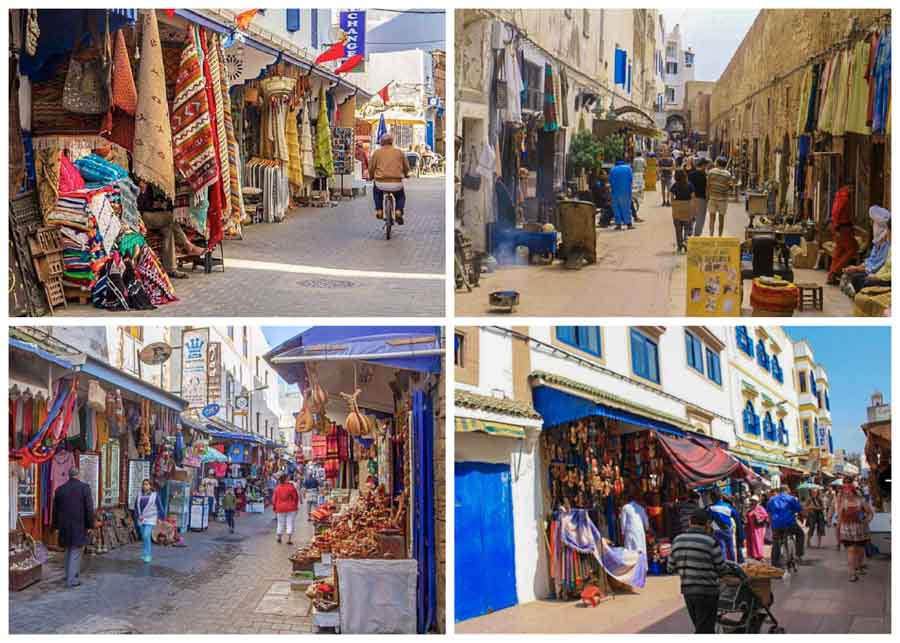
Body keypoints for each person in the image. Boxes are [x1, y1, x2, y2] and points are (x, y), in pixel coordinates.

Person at [668, 509, 726, 633]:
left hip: (688, 592)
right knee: (705, 629)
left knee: (701, 627)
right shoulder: (710, 541)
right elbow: (721, 569)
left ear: (690, 522)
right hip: (707, 592)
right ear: (707, 524)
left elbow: (670, 567)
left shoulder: (677, 540)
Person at [137, 182, 205, 279]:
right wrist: (152, 204)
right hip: (142, 217)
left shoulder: (150, 187)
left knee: (168, 230)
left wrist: (158, 205)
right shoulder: (136, 185)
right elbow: (140, 206)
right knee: (171, 218)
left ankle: (171, 269)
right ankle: (188, 245)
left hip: (153, 216)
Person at [52, 468, 94, 587]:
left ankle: (68, 575)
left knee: (69, 550)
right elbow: (89, 508)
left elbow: (55, 510)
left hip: (64, 526)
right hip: (78, 524)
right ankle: (72, 580)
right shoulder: (84, 488)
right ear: (78, 475)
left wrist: (55, 525)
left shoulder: (60, 489)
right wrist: (90, 525)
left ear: (69, 476)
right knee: (75, 552)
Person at [841, 206, 891, 296]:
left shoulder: (888, 246)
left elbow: (878, 266)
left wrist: (875, 276)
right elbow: (871, 260)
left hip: (880, 275)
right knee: (849, 276)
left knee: (858, 279)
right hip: (876, 274)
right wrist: (858, 267)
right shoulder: (877, 243)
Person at [835, 478, 874, 582]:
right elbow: (839, 518)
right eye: (845, 492)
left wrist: (867, 520)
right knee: (851, 550)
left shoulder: (861, 501)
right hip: (847, 530)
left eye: (848, 492)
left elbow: (870, 513)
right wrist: (837, 534)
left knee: (860, 550)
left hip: (860, 530)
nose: (847, 494)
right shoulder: (843, 503)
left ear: (853, 492)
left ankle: (859, 566)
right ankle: (852, 573)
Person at [369, 133, 411, 224]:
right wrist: (407, 174)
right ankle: (398, 211)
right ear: (392, 142)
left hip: (380, 183)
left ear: (381, 142)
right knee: (400, 196)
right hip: (396, 183)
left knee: (377, 192)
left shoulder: (377, 153)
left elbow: (371, 167)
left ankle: (379, 210)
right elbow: (406, 167)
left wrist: (371, 176)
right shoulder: (399, 152)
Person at [765, 485, 804, 568]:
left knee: (776, 541)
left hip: (776, 525)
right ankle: (799, 554)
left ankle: (775, 562)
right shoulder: (791, 498)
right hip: (789, 524)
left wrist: (772, 525)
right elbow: (799, 509)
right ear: (787, 490)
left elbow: (769, 513)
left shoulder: (771, 500)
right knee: (800, 534)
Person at [826, 185, 859, 284]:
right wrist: (836, 227)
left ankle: (831, 276)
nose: (853, 191)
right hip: (843, 228)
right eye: (852, 189)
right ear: (849, 188)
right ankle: (835, 271)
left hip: (840, 228)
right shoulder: (844, 198)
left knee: (838, 251)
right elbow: (837, 212)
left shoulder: (839, 196)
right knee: (853, 248)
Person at [133, 479, 164, 563]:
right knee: (144, 537)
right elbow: (136, 507)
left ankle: (148, 555)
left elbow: (160, 507)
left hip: (151, 518)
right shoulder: (139, 495)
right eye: (144, 484)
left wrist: (160, 518)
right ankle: (144, 553)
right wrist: (136, 517)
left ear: (150, 486)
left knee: (146, 535)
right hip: (141, 518)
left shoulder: (155, 495)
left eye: (147, 484)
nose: (145, 486)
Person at [708, 488, 739, 562]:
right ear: (721, 497)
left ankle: (724, 565)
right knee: (730, 548)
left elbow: (709, 520)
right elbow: (736, 516)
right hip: (728, 530)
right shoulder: (728, 506)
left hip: (717, 531)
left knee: (722, 548)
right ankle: (733, 563)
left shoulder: (711, 508)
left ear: (712, 498)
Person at [706, 157, 734, 236]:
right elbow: (730, 187)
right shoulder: (728, 174)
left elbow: (708, 185)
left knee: (712, 218)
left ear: (717, 163)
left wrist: (707, 196)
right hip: (723, 199)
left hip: (712, 198)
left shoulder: (711, 172)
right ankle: (720, 236)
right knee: (721, 219)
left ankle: (711, 235)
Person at [619, 489, 650, 562]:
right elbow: (646, 523)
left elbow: (623, 523)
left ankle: (632, 568)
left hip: (630, 532)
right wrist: (647, 530)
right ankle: (642, 567)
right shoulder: (641, 508)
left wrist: (622, 533)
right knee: (640, 550)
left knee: (630, 551)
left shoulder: (625, 508)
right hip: (640, 532)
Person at [670, 170, 695, 253]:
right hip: (687, 209)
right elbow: (693, 197)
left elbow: (671, 196)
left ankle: (679, 247)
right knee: (688, 228)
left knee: (678, 229)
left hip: (677, 210)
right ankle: (686, 241)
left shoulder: (675, 185)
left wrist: (674, 203)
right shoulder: (690, 185)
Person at [273, 473, 300, 544]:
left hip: (280, 508)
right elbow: (295, 498)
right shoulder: (291, 487)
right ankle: (289, 539)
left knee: (280, 523)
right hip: (291, 508)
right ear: (285, 479)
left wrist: (274, 507)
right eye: (288, 478)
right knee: (290, 522)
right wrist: (296, 506)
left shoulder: (277, 488)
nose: (289, 478)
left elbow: (274, 499)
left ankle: (279, 537)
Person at [609, 159, 634, 230]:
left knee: (616, 208)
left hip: (615, 192)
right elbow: (631, 179)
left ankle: (618, 225)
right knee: (626, 208)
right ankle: (629, 224)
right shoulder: (628, 168)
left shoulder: (612, 170)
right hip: (626, 191)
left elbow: (610, 181)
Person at [744, 495, 769, 561]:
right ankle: (752, 554)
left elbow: (765, 516)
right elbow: (747, 517)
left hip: (758, 528)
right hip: (750, 528)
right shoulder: (750, 509)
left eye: (753, 501)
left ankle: (759, 555)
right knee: (751, 541)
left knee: (758, 541)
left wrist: (758, 517)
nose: (752, 502)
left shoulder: (760, 508)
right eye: (751, 501)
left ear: (756, 501)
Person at [688, 159, 708, 236]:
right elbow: (707, 188)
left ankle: (689, 233)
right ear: (703, 165)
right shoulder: (705, 175)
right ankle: (696, 236)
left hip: (691, 198)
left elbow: (688, 186)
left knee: (691, 216)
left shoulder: (691, 174)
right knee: (700, 217)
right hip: (701, 198)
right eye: (706, 166)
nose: (706, 167)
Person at [631, 152, 646, 223]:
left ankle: (636, 192)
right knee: (641, 184)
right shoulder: (643, 159)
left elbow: (633, 166)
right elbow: (645, 166)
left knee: (636, 184)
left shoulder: (634, 159)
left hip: (635, 173)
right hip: (641, 172)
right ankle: (640, 193)